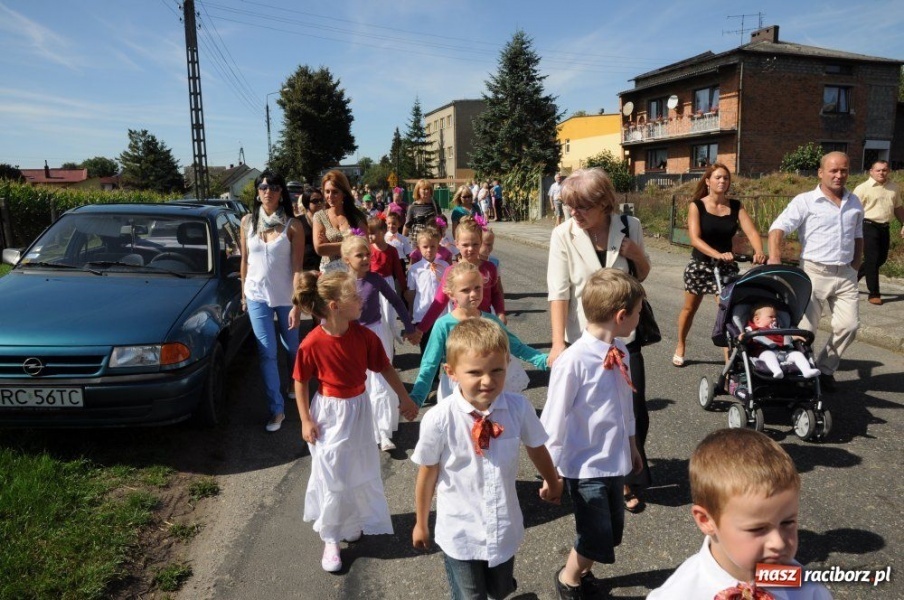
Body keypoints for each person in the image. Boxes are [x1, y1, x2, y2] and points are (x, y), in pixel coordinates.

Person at [411, 318, 563, 600]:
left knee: (500, 589)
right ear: (451, 372)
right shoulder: (439, 419)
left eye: (497, 370)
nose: (488, 381)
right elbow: (428, 471)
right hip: (460, 531)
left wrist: (552, 481)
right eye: (474, 372)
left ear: (508, 363)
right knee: (471, 595)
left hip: (503, 525)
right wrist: (421, 522)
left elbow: (536, 446)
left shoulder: (518, 407)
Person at [292, 270, 419, 573]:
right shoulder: (312, 342)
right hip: (329, 413)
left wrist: (404, 398)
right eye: (354, 296)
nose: (361, 299)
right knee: (332, 471)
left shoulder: (364, 336)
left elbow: (385, 368)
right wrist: (305, 419)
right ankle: (331, 536)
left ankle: (349, 522)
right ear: (335, 306)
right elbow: (300, 380)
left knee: (356, 468)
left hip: (359, 410)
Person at [547, 167, 651, 514]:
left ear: (604, 203)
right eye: (569, 206)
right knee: (592, 411)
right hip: (584, 339)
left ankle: (627, 475)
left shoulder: (630, 226)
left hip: (624, 335)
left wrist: (636, 254)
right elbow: (559, 291)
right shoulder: (563, 234)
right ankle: (594, 474)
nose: (574, 213)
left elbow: (641, 275)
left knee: (633, 407)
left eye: (582, 207)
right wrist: (558, 343)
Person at [540, 268, 644, 599]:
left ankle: (582, 571)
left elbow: (625, 406)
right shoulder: (573, 361)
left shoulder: (620, 350)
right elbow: (553, 421)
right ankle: (569, 580)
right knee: (594, 535)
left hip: (614, 461)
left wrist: (632, 446)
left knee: (610, 534)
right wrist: (550, 474)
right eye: (638, 313)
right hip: (584, 467)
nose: (639, 319)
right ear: (621, 316)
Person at [647, 428, 832, 599]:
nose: (778, 543)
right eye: (757, 529)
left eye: (787, 523)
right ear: (706, 520)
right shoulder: (677, 595)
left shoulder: (808, 588)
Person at [768, 151, 863, 392]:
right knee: (805, 330)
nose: (839, 175)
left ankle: (825, 369)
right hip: (814, 273)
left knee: (849, 326)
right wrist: (775, 259)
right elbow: (778, 228)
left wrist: (856, 264)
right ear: (821, 173)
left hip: (846, 274)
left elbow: (858, 235)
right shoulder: (806, 201)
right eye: (833, 170)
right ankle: (801, 372)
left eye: (843, 170)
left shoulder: (854, 201)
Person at [409, 261, 549, 406]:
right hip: (454, 388)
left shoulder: (491, 320)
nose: (474, 294)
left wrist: (544, 360)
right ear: (451, 294)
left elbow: (515, 345)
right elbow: (429, 364)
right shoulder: (443, 325)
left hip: (487, 386)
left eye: (477, 288)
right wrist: (416, 398)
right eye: (465, 290)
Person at [674, 162, 766, 367]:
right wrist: (717, 254)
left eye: (726, 178)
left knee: (727, 311)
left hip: (725, 267)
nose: (722, 181)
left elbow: (751, 232)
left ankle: (729, 360)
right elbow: (695, 238)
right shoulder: (696, 206)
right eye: (718, 177)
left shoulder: (735, 206)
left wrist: (759, 251)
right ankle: (680, 344)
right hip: (700, 265)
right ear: (708, 181)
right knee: (689, 308)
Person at [240, 170, 305, 432]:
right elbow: (245, 260)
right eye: (264, 187)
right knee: (267, 352)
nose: (268, 191)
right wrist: (243, 293)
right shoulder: (247, 222)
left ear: (281, 193)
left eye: (274, 187)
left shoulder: (293, 225)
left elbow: (298, 268)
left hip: (285, 296)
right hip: (256, 295)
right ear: (257, 192)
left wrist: (297, 305)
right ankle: (276, 409)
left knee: (292, 348)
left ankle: (293, 383)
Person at [341, 235, 420, 451]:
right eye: (359, 255)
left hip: (376, 334)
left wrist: (409, 326)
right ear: (347, 259)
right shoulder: (342, 283)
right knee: (359, 383)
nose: (366, 258)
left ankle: (383, 431)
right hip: (352, 337)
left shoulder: (375, 279)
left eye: (368, 254)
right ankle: (362, 428)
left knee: (381, 382)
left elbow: (396, 301)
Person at [418, 216, 506, 333]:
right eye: (465, 245)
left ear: (481, 242)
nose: (470, 249)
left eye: (475, 244)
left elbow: (496, 293)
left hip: (485, 325)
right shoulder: (451, 271)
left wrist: (501, 313)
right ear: (457, 244)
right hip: (461, 327)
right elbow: (439, 302)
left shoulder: (489, 268)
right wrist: (421, 329)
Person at [853, 160, 904, 305]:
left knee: (880, 259)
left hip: (885, 227)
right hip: (868, 225)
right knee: (873, 259)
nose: (881, 173)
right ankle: (874, 293)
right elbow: (853, 210)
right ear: (871, 171)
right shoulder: (862, 188)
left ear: (889, 171)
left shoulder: (894, 188)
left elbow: (898, 208)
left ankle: (853, 277)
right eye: (878, 170)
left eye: (884, 170)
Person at [741, 301, 821, 379]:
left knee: (797, 354)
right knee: (769, 355)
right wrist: (743, 337)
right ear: (757, 319)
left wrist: (792, 337)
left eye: (775, 317)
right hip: (763, 353)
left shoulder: (779, 329)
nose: (774, 319)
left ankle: (807, 371)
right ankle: (777, 370)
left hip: (784, 352)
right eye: (771, 317)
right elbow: (746, 340)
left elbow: (784, 339)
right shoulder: (751, 330)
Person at [406, 227, 451, 356]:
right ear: (418, 248)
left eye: (432, 246)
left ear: (438, 247)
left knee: (443, 349)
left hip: (442, 315)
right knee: (427, 351)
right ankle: (430, 370)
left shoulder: (445, 266)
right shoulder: (414, 269)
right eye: (425, 247)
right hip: (422, 315)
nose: (429, 250)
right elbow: (412, 293)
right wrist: (410, 313)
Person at [313, 169, 368, 272]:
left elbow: (365, 245)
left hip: (354, 273)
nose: (330, 196)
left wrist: (329, 245)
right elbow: (319, 249)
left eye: (335, 192)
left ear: (344, 193)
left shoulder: (356, 216)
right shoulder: (319, 216)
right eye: (327, 192)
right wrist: (352, 243)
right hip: (329, 274)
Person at [297, 188, 325, 273]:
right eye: (315, 201)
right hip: (304, 269)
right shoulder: (298, 222)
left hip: (323, 268)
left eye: (321, 200)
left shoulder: (327, 221)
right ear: (306, 203)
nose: (319, 203)